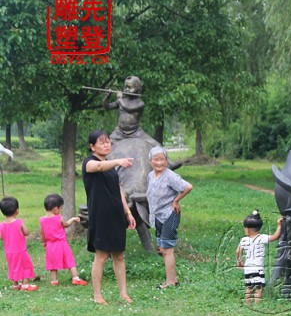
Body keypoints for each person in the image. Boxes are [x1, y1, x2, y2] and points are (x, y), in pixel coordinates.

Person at [82, 130, 136, 304]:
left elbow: (118, 191)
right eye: (102, 142)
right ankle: (97, 296)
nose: (106, 145)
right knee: (102, 256)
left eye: (108, 142)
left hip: (116, 214)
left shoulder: (110, 167)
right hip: (100, 216)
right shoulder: (89, 163)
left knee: (119, 255)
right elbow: (98, 167)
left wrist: (128, 213)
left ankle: (123, 293)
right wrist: (118, 161)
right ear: (92, 147)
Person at [146, 146, 192, 289]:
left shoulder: (170, 175)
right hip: (157, 216)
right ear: (150, 161)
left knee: (167, 248)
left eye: (162, 159)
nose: (159, 163)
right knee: (162, 248)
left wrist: (176, 201)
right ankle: (172, 279)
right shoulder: (150, 175)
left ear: (166, 161)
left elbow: (188, 187)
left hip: (169, 215)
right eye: (156, 159)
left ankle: (171, 282)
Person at [39, 193, 87, 287]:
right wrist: (73, 219)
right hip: (61, 243)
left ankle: (54, 281)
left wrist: (44, 242)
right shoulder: (59, 218)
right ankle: (75, 278)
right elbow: (66, 225)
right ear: (55, 209)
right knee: (70, 260)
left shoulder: (42, 220)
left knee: (52, 264)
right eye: (60, 208)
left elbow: (41, 233)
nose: (60, 210)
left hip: (50, 245)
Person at [236, 210, 282, 304]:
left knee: (249, 287)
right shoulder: (262, 238)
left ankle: (248, 304)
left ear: (247, 229)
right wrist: (279, 225)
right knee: (258, 288)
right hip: (257, 268)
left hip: (247, 268)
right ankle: (257, 305)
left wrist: (239, 261)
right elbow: (275, 236)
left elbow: (238, 251)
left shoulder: (244, 240)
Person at [0, 196, 38, 291]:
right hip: (20, 251)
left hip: (9, 252)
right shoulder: (19, 222)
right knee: (26, 266)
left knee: (13, 267)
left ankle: (15, 285)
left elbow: (1, 237)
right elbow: (27, 232)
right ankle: (25, 285)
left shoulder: (1, 225)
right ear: (17, 211)